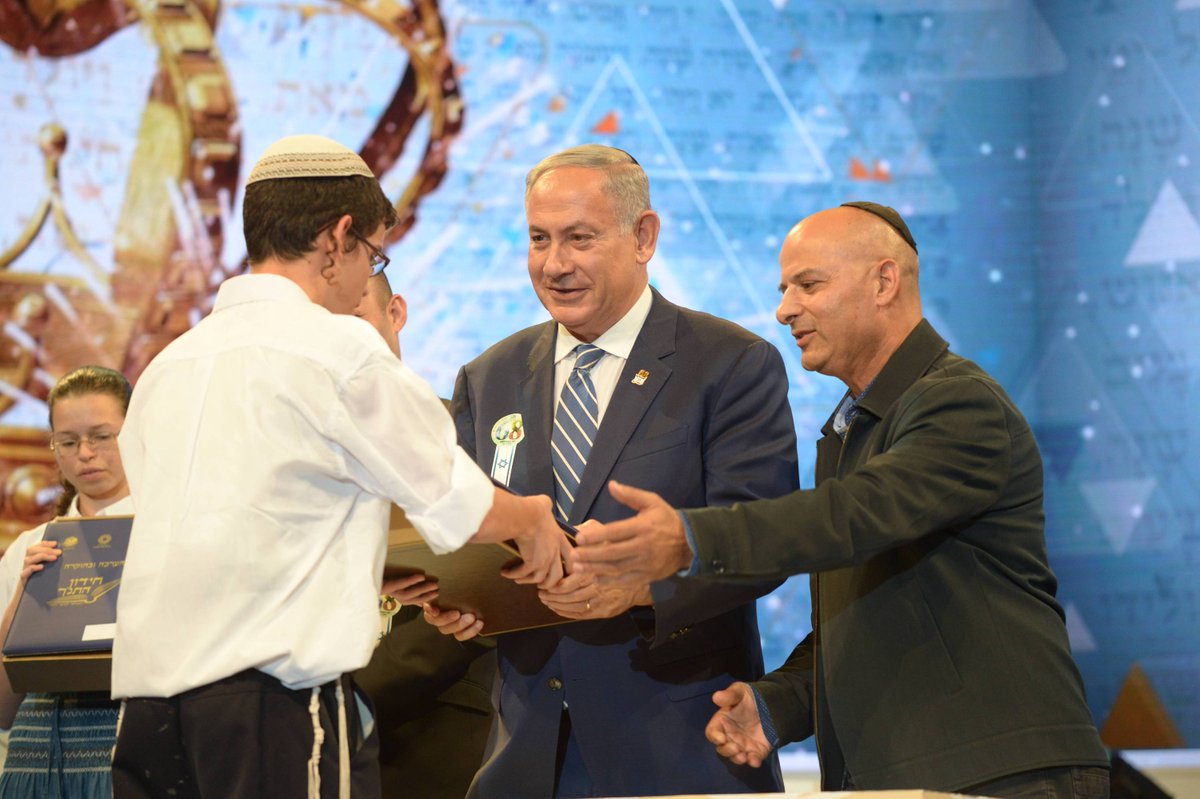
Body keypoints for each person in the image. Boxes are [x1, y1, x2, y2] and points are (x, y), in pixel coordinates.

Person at [570, 202, 1112, 798]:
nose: (784, 310)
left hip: (1002, 775)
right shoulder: (853, 430)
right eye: (783, 290)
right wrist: (777, 705)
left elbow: (853, 514)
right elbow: (870, 617)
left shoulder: (961, 404)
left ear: (884, 282)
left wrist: (692, 538)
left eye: (808, 285)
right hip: (908, 776)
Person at [107, 134, 571, 799]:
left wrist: (367, 567)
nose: (363, 282)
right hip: (270, 704)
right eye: (373, 255)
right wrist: (532, 518)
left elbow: (216, 532)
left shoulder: (167, 367)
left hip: (148, 710)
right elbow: (455, 498)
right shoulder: (336, 347)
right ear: (337, 239)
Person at [426, 144, 799, 798]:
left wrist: (642, 589)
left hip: (681, 754)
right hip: (526, 759)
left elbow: (763, 541)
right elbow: (468, 533)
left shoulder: (730, 364)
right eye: (539, 239)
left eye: (580, 238)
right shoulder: (489, 378)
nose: (554, 264)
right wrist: (459, 601)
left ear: (644, 237)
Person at [350, 273, 497, 799]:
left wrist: (349, 699)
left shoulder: (463, 432)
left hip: (433, 726)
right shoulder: (293, 450)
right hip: (303, 732)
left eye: (355, 318)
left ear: (396, 313)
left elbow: (483, 585)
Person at [0, 365, 133, 797]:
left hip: (133, 758)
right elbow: (2, 710)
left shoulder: (166, 536)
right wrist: (24, 601)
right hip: (36, 765)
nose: (86, 454)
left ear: (137, 433)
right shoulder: (29, 547)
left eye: (102, 436)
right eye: (69, 442)